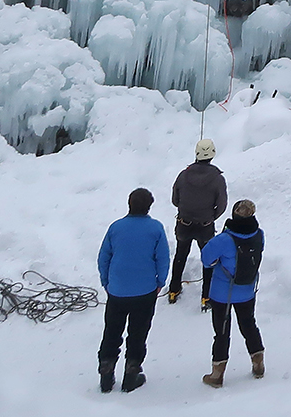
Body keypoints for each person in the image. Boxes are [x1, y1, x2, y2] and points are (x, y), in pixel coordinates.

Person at [96, 187, 169, 394]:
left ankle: (106, 373)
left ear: (129, 204)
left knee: (112, 331)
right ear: (149, 206)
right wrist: (160, 282)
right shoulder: (155, 228)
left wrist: (106, 282)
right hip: (145, 291)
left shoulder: (116, 227)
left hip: (117, 290)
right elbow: (162, 258)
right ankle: (131, 374)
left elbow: (104, 257)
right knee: (137, 333)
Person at [199, 200, 265, 387]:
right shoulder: (259, 234)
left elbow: (206, 259)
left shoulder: (224, 240)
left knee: (221, 332)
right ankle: (258, 362)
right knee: (249, 325)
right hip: (247, 290)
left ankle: (217, 374)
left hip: (223, 294)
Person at [168, 139, 226, 305]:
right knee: (208, 258)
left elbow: (175, 200)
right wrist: (210, 217)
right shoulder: (217, 178)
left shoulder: (183, 174)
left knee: (180, 255)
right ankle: (206, 296)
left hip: (184, 223)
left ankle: (173, 290)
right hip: (205, 226)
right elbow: (221, 204)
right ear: (213, 154)